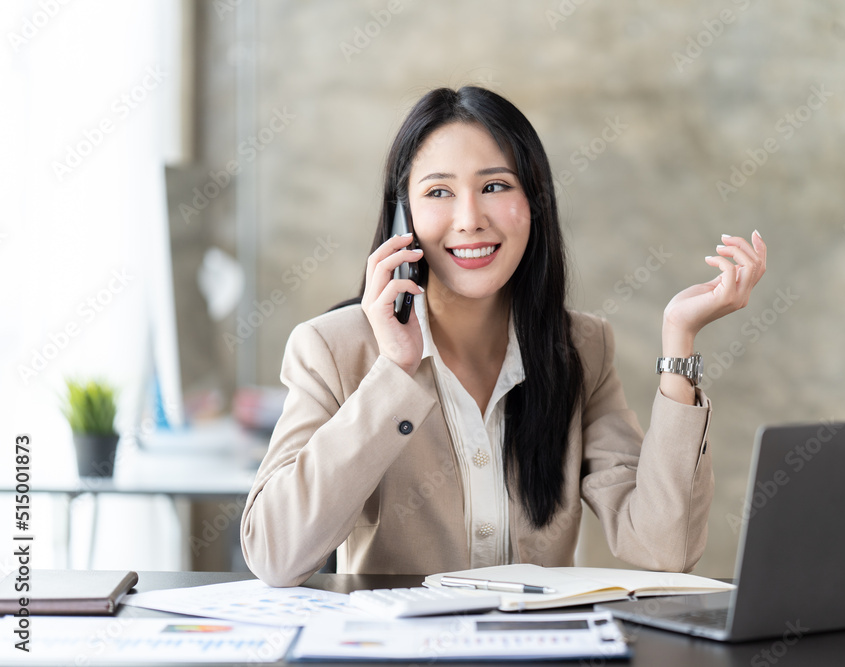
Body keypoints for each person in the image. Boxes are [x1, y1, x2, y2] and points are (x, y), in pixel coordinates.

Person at [240, 86, 766, 587]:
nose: (469, 220)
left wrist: (680, 342)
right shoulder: (332, 350)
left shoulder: (582, 348)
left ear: (534, 204)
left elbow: (662, 546)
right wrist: (393, 373)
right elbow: (275, 555)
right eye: (439, 192)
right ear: (404, 216)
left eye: (495, 186)